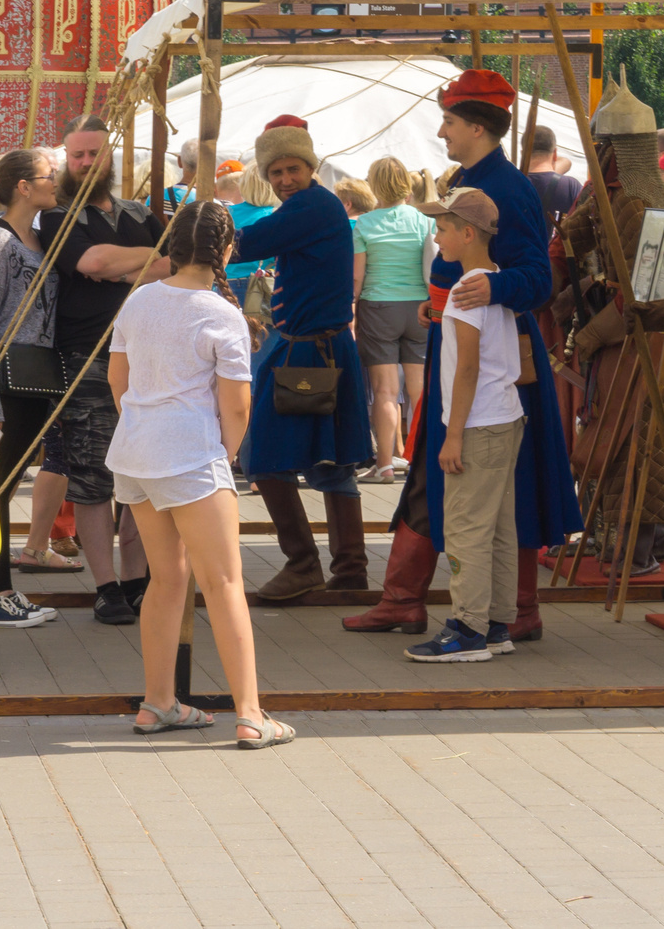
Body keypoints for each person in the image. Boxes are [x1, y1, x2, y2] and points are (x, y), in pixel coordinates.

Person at [346, 69, 581, 642]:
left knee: (497, 490)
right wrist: (440, 307)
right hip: (457, 356)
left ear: (476, 126)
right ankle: (413, 600)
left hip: (496, 375)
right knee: (439, 478)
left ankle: (511, 611)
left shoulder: (509, 187)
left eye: (450, 120)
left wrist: (491, 289)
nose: (442, 130)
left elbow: (535, 277)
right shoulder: (470, 177)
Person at [108, 200, 293, 747]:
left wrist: (146, 423)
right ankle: (251, 714)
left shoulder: (140, 299)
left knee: (166, 580)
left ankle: (158, 702)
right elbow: (237, 407)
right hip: (189, 455)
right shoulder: (221, 314)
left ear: (172, 245)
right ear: (226, 252)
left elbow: (118, 381)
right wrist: (225, 456)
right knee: (224, 584)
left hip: (136, 453)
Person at [229, 115, 371, 600]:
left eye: (293, 169)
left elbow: (247, 243)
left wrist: (196, 227)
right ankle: (345, 568)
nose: (285, 180)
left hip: (310, 353)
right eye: (276, 173)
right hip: (306, 348)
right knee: (328, 461)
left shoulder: (313, 205)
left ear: (309, 168)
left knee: (264, 456)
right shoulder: (313, 204)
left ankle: (308, 564)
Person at [37, 119, 161, 624]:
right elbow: (92, 263)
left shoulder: (140, 214)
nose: (85, 164)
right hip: (85, 360)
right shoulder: (57, 218)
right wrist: (146, 261)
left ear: (109, 156)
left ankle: (136, 580)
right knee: (91, 478)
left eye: (93, 154)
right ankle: (106, 586)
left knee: (142, 477)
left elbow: (170, 265)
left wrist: (128, 262)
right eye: (76, 156)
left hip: (147, 362)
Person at [402, 187, 528, 662]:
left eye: (442, 228)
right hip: (504, 417)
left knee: (465, 529)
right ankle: (495, 623)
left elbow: (468, 367)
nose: (437, 237)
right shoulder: (492, 280)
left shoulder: (465, 289)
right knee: (496, 527)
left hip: (478, 423)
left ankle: (469, 629)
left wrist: (452, 434)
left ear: (467, 232)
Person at [0, 147, 70, 622]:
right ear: (24, 187)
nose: (56, 181)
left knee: (3, 487)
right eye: (49, 175)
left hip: (34, 375)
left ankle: (2, 590)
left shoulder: (42, 237)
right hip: (3, 378)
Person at [354, 156, 433, 487]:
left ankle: (384, 465)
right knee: (420, 390)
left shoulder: (364, 224)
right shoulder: (424, 220)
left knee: (385, 391)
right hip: (419, 307)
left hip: (378, 307)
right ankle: (418, 460)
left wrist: (352, 308)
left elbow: (357, 277)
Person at [525, 123, 582, 230]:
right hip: (553, 246)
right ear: (555, 153)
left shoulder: (511, 183)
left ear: (523, 153)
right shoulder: (570, 186)